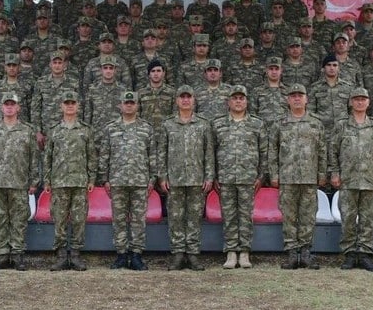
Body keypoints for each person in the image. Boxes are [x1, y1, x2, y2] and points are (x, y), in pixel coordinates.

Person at [156, 85, 215, 271]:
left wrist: (209, 176)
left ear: (194, 99)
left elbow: (209, 153)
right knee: (175, 217)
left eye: (188, 97)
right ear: (176, 101)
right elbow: (161, 153)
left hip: (197, 178)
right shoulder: (167, 124)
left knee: (194, 217)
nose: (185, 100)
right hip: (175, 179)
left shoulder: (203, 124)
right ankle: (178, 254)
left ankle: (193, 254)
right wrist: (162, 176)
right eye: (182, 97)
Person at [269, 84, 326, 270]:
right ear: (288, 100)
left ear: (306, 99)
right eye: (292, 95)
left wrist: (322, 173)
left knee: (308, 216)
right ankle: (292, 253)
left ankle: (306, 253)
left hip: (309, 177)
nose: (296, 98)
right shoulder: (280, 123)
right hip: (287, 177)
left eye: (300, 95)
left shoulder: (316, 123)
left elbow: (323, 151)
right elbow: (273, 151)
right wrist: (274, 175)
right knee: (289, 217)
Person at [329, 87, 373, 272]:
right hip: (348, 179)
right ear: (351, 102)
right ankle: (349, 254)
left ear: (368, 102)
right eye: (356, 99)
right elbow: (333, 151)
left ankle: (365, 254)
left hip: (369, 180)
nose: (360, 102)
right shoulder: (341, 125)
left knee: (368, 219)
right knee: (347, 217)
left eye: (363, 99)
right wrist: (335, 172)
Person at [98, 91, 157, 271]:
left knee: (139, 220)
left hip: (140, 181)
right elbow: (104, 155)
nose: (129, 105)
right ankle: (121, 254)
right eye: (126, 102)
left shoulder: (147, 128)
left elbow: (152, 155)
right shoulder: (111, 128)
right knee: (119, 219)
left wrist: (152, 178)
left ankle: (136, 255)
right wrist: (105, 178)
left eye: (132, 103)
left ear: (137, 105)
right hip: (117, 180)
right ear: (120, 105)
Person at [0, 92, 39, 270]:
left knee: (19, 220)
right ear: (1, 107)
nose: (9, 107)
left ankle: (17, 254)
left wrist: (34, 180)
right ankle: (1, 254)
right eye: (6, 104)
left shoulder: (27, 130)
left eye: (12, 104)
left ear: (18, 107)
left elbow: (34, 158)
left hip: (19, 181)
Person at [212, 85, 267, 269]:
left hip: (248, 177)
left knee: (245, 216)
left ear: (246, 101)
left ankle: (244, 252)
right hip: (225, 177)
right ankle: (230, 252)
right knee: (229, 215)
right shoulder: (218, 124)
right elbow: (211, 152)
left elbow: (263, 152)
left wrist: (261, 175)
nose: (238, 101)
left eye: (241, 98)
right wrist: (213, 176)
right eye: (234, 98)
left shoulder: (257, 124)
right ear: (228, 102)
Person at [44, 90, 96, 271]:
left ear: (78, 106)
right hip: (59, 181)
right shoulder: (54, 131)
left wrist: (91, 178)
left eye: (73, 103)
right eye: (67, 103)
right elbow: (48, 157)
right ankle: (60, 255)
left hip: (80, 181)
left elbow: (91, 156)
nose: (70, 106)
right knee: (59, 219)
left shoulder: (86, 130)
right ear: (61, 106)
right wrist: (47, 179)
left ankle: (75, 255)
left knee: (79, 220)